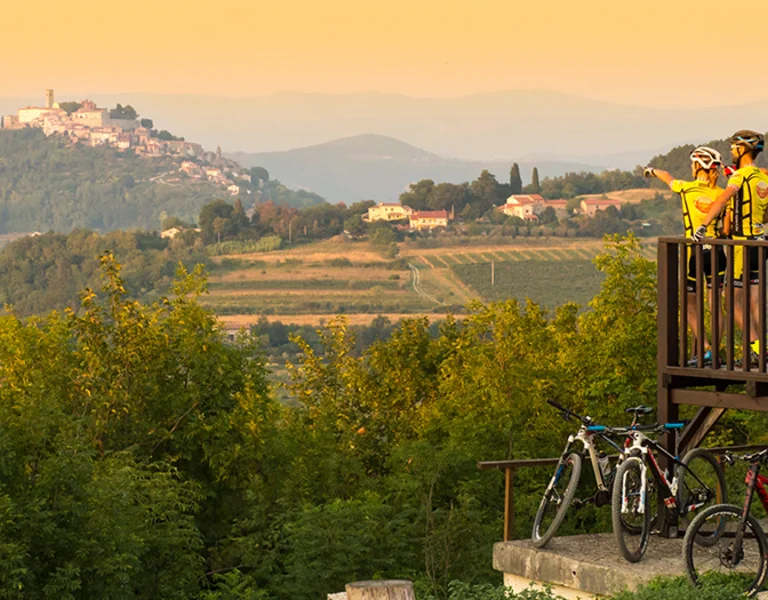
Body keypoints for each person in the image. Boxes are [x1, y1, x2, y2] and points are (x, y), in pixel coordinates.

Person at [645, 146, 725, 365]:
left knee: (689, 304)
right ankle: (715, 352)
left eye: (692, 163)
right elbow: (727, 226)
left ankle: (706, 348)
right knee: (716, 304)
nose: (691, 167)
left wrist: (651, 170)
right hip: (718, 251)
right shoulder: (721, 194)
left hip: (696, 253)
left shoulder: (686, 188)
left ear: (699, 165)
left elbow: (667, 177)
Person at [695, 130, 768, 360]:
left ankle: (756, 347)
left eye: (734, 147)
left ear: (743, 150)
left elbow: (722, 199)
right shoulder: (762, 178)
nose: (731, 151)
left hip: (742, 246)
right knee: (754, 300)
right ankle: (761, 349)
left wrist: (704, 226)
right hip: (760, 242)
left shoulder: (740, 177)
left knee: (729, 299)